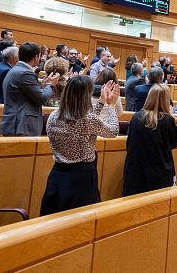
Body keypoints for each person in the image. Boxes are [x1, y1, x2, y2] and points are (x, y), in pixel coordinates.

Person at [40, 76, 119, 215]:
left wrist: (101, 101)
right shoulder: (86, 120)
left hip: (57, 176)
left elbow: (87, 120)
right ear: (85, 96)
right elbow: (113, 131)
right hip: (81, 177)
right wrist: (111, 106)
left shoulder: (53, 116)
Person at [122, 84, 177, 197]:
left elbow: (129, 142)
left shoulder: (136, 117)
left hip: (135, 170)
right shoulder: (167, 120)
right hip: (158, 171)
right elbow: (175, 142)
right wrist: (172, 116)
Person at [0, 43, 60, 136]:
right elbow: (41, 98)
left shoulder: (16, 69)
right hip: (21, 125)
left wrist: (43, 86)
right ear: (36, 57)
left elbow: (26, 95)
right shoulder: (25, 73)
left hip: (16, 123)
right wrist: (50, 85)